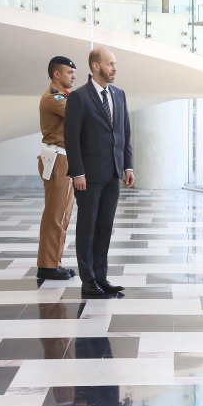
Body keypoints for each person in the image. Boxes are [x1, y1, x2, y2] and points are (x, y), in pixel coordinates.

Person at [64, 48, 135, 297]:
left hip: (113, 173)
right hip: (89, 177)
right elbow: (71, 139)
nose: (115, 68)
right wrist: (77, 172)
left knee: (105, 227)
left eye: (115, 64)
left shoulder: (119, 94)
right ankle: (88, 280)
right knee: (88, 228)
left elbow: (124, 132)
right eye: (111, 64)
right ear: (96, 66)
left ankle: (101, 277)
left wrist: (127, 165)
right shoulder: (79, 97)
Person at [36, 56, 78, 280]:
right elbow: (78, 114)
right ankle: (47, 265)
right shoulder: (54, 97)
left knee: (63, 214)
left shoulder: (65, 96)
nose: (74, 76)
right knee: (55, 214)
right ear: (57, 74)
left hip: (66, 159)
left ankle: (54, 262)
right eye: (70, 72)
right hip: (58, 159)